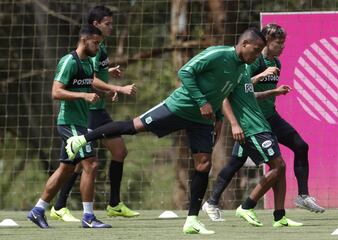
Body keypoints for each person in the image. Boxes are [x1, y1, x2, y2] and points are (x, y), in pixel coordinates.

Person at [64, 28, 266, 234]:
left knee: (204, 164)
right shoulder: (217, 54)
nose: (257, 55)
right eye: (256, 50)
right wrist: (201, 101)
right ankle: (81, 140)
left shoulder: (242, 69)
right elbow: (185, 72)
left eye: (260, 52)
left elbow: (226, 93)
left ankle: (192, 220)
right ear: (244, 44)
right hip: (177, 107)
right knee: (132, 127)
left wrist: (220, 120)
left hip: (202, 120)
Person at [49, 5, 138, 223]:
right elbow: (89, 78)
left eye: (111, 23)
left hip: (97, 109)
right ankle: (62, 207)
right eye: (107, 23)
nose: (111, 27)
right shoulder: (88, 49)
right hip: (88, 112)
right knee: (83, 162)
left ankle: (112, 204)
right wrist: (117, 88)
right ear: (95, 25)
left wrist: (109, 76)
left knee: (111, 153)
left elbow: (91, 74)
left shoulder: (99, 47)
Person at [27, 25, 111, 229]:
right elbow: (56, 92)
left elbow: (89, 82)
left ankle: (38, 210)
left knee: (66, 169)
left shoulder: (88, 63)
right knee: (91, 164)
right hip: (69, 123)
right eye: (96, 43)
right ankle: (88, 217)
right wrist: (83, 95)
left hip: (80, 122)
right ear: (84, 40)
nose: (98, 47)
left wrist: (109, 90)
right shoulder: (68, 61)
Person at [203, 66, 302, 227]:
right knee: (277, 165)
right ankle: (246, 206)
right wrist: (235, 124)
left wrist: (274, 92)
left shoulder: (248, 72)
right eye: (256, 49)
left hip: (261, 126)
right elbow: (224, 98)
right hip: (251, 129)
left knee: (275, 166)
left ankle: (279, 216)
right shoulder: (235, 70)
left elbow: (249, 93)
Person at [250, 23, 324, 213]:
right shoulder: (255, 62)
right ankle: (214, 201)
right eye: (278, 43)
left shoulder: (277, 63)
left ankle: (303, 196)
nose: (283, 47)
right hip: (254, 121)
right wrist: (264, 80)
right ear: (266, 41)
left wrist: (274, 92)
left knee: (301, 146)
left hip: (271, 117)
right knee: (235, 163)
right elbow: (242, 88)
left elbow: (268, 94)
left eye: (284, 43)